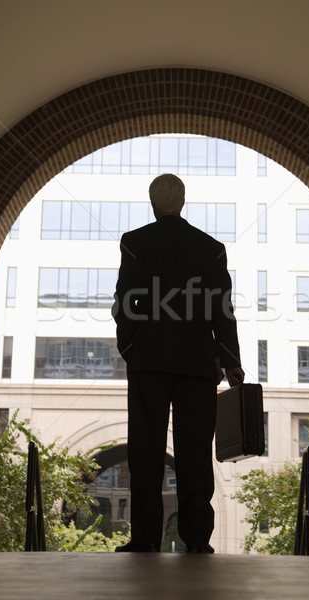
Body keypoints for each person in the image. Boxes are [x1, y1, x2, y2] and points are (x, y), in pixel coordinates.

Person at [111, 173, 244, 553]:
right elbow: (223, 310)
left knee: (145, 452)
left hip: (148, 363)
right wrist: (231, 360)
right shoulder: (211, 248)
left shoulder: (135, 242)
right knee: (195, 453)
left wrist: (130, 347)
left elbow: (125, 301)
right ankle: (197, 541)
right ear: (182, 202)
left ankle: (145, 539)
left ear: (153, 203)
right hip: (199, 364)